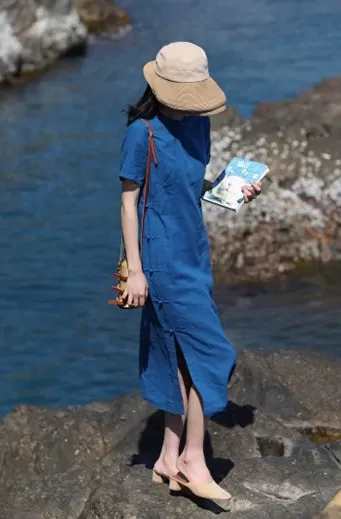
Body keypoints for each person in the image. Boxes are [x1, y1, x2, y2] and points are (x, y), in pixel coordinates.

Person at [118, 41, 262, 504]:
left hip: (194, 253)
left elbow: (190, 184)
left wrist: (233, 190)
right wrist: (136, 271)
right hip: (159, 259)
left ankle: (166, 455)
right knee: (213, 355)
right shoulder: (142, 133)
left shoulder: (199, 124)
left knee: (178, 355)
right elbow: (128, 202)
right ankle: (191, 462)